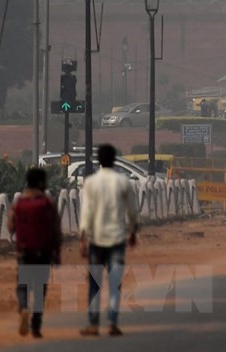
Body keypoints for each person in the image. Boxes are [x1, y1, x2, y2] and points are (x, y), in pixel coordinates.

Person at [79, 144, 139, 337]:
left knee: (94, 284)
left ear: (99, 160)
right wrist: (133, 232)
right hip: (117, 238)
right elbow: (132, 210)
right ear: (114, 160)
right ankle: (112, 322)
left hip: (96, 239)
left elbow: (86, 212)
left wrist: (82, 239)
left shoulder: (91, 182)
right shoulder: (122, 182)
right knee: (115, 283)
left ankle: (93, 323)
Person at [9, 167, 61, 338]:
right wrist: (57, 253)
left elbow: (11, 226)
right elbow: (55, 229)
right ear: (40, 182)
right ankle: (36, 326)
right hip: (43, 251)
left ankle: (24, 307)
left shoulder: (19, 202)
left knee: (23, 285)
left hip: (24, 251)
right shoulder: (47, 202)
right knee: (39, 290)